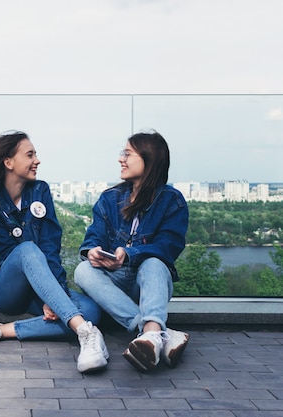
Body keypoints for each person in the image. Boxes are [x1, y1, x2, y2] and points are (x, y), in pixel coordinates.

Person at [0, 130, 108, 373]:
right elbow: (13, 256)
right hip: (5, 290)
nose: (37, 160)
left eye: (35, 154)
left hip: (39, 288)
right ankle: (85, 333)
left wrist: (54, 295)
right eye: (30, 155)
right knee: (27, 249)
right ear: (8, 162)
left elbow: (51, 247)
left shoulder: (40, 191)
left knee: (91, 310)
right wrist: (51, 300)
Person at [74, 131, 190, 372]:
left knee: (155, 262)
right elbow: (93, 235)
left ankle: (150, 332)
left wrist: (130, 254)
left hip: (148, 283)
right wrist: (93, 251)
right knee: (83, 270)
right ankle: (155, 332)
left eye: (127, 154)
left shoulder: (172, 201)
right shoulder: (109, 199)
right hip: (113, 283)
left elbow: (168, 247)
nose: (120, 159)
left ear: (149, 159)